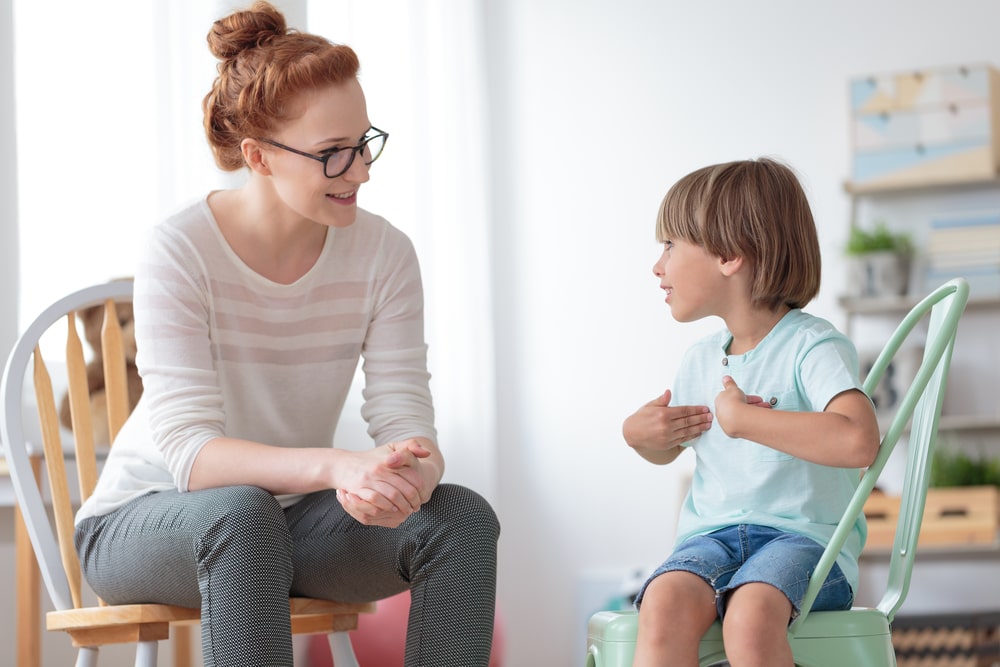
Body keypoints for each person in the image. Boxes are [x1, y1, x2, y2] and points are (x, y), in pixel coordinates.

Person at [72, 3, 500, 666]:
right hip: (148, 519)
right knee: (241, 513)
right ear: (259, 157)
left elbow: (406, 417)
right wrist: (337, 466)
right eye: (333, 154)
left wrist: (407, 474)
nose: (361, 172)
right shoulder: (179, 249)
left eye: (364, 143)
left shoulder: (385, 254)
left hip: (286, 522)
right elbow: (192, 455)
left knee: (460, 518)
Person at [623, 158, 881, 667]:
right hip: (712, 540)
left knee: (750, 615)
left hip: (804, 542)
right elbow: (671, 449)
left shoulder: (812, 345)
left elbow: (859, 441)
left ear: (730, 254)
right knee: (663, 602)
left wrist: (749, 421)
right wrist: (644, 436)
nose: (658, 265)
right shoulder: (700, 359)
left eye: (671, 245)